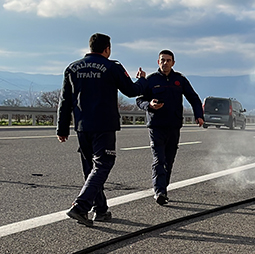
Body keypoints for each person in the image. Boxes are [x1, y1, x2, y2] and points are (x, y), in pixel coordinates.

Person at [57, 33, 148, 226]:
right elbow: (131, 91)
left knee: (91, 168)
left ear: (90, 47)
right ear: (107, 49)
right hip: (104, 125)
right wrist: (142, 81)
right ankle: (80, 206)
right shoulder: (112, 66)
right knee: (103, 164)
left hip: (82, 126)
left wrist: (62, 128)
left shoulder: (72, 68)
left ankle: (101, 210)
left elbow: (65, 100)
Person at [136, 50, 204, 205]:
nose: (165, 63)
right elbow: (140, 100)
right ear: (158, 62)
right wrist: (150, 105)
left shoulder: (179, 80)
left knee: (169, 160)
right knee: (159, 159)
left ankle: (163, 189)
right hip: (156, 126)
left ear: (173, 62)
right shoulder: (151, 80)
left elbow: (193, 98)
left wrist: (198, 115)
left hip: (174, 125)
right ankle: (159, 191)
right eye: (162, 60)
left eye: (168, 60)